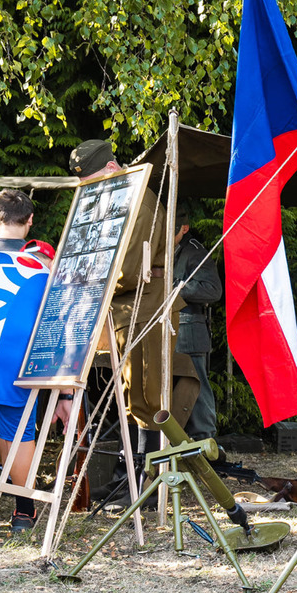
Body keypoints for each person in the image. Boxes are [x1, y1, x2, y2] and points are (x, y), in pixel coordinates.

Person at [70, 140, 199, 499]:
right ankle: (135, 480)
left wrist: (87, 281)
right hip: (130, 311)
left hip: (146, 308)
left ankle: (146, 486)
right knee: (135, 399)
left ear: (112, 169)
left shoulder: (137, 202)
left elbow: (126, 270)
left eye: (95, 181)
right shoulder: (116, 202)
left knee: (148, 399)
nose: (93, 190)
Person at [0, 190, 73, 535]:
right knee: (19, 434)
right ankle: (24, 512)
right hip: (18, 361)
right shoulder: (44, 262)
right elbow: (59, 320)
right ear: (30, 221)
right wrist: (65, 389)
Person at [172, 216, 222, 443]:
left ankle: (205, 441)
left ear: (184, 227)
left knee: (197, 390)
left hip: (189, 332)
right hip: (170, 331)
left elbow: (213, 290)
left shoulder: (195, 252)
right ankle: (179, 440)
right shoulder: (164, 248)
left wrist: (175, 288)